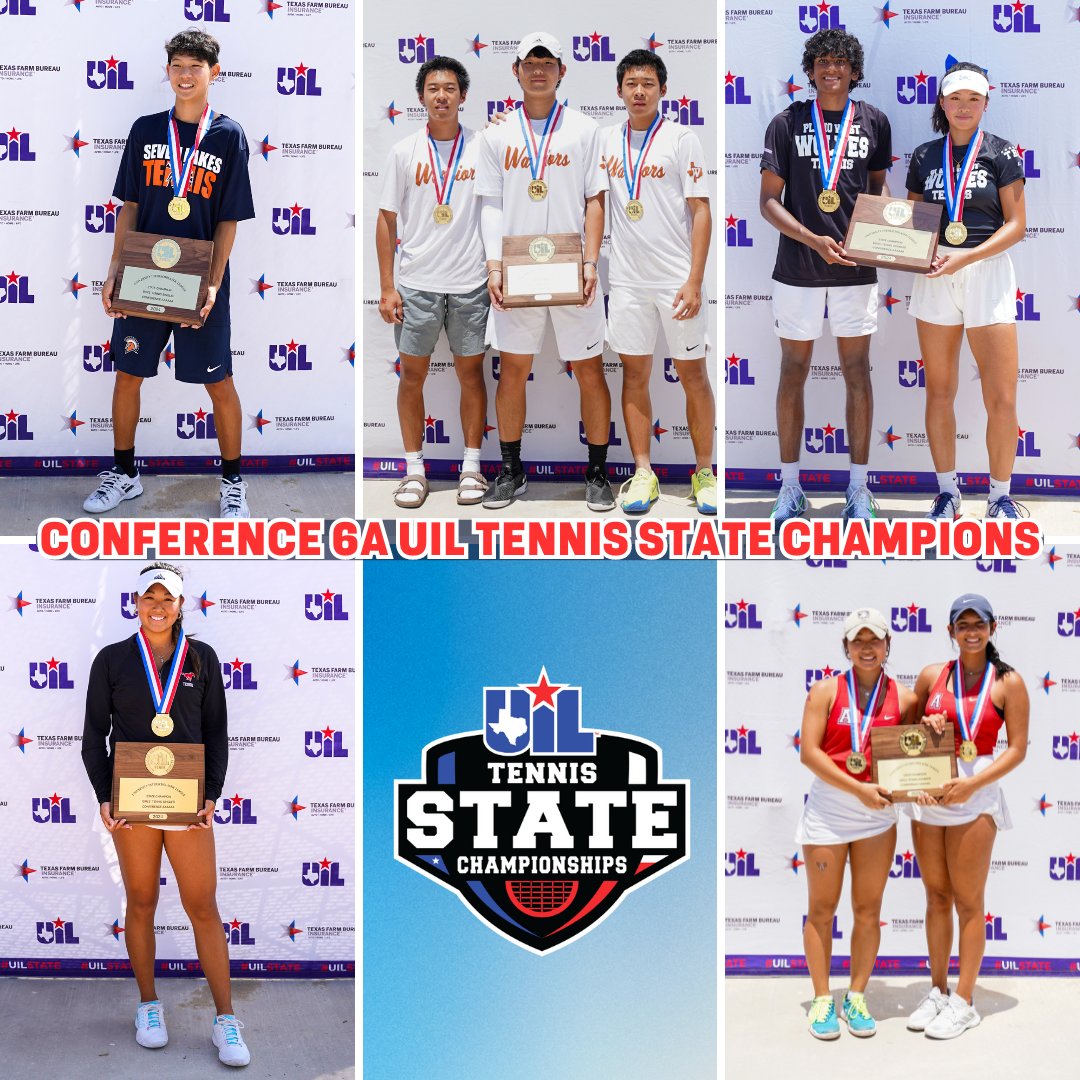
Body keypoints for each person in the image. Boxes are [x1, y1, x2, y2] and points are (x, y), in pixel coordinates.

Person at [81, 562, 250, 1067]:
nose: (157, 607)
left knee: (203, 905)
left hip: (187, 804)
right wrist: (104, 796)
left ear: (182, 605)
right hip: (132, 802)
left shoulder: (202, 657)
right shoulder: (112, 660)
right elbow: (95, 736)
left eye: (167, 599)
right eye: (148, 598)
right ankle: (148, 1006)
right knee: (141, 899)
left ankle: (225, 1018)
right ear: (134, 603)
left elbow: (216, 731)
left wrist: (212, 794)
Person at [85, 29, 256, 519]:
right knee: (127, 375)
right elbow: (130, 207)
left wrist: (214, 283)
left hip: (199, 279)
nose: (185, 76)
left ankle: (232, 482)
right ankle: (124, 473)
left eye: (195, 68)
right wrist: (114, 270)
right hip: (143, 271)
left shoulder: (228, 134)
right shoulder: (145, 130)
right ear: (168, 71)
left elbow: (228, 220)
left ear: (213, 73)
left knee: (218, 381)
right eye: (177, 66)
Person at [759, 28, 892, 523]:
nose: (831, 68)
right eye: (822, 61)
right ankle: (790, 487)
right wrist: (813, 240)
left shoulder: (875, 121)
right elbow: (768, 202)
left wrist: (888, 240)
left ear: (855, 71)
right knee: (792, 371)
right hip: (797, 269)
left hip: (856, 273)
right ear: (810, 69)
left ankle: (858, 489)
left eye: (841, 61)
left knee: (857, 372)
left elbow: (878, 196)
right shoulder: (786, 122)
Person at [477, 31, 613, 511]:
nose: (538, 70)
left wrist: (591, 261)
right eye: (529, 62)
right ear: (515, 71)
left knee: (590, 370)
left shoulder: (585, 129)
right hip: (517, 271)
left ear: (562, 71)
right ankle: (511, 472)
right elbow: (490, 205)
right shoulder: (496, 135)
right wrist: (494, 264)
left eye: (547, 62)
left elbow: (596, 200)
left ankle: (597, 473)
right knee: (512, 370)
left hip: (572, 269)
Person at [906, 63, 1027, 520]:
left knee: (1002, 397)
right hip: (937, 273)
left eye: (972, 99)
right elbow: (912, 224)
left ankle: (999, 496)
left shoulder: (1002, 153)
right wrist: (925, 251)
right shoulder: (922, 156)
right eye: (955, 98)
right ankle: (947, 492)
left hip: (987, 271)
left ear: (985, 104)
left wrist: (967, 257)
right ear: (942, 102)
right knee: (939, 390)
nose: (963, 107)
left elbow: (1016, 226)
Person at [906, 593, 1028, 1039]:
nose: (971, 632)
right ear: (951, 631)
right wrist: (925, 728)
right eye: (963, 625)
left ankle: (965, 1000)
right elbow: (905, 735)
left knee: (968, 902)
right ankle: (938, 991)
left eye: (979, 625)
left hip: (975, 800)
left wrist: (972, 784)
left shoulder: (1008, 681)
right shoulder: (931, 676)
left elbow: (1016, 749)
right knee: (936, 898)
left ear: (993, 629)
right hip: (930, 799)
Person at [603, 49, 716, 515]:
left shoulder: (682, 139)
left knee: (693, 375)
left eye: (648, 83)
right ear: (619, 91)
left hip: (676, 282)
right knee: (635, 375)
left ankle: (705, 473)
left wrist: (694, 279)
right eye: (631, 83)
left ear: (663, 90)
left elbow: (701, 211)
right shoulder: (604, 141)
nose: (639, 91)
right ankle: (644, 473)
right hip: (627, 282)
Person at [797, 607, 917, 1039]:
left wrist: (933, 724)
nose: (867, 648)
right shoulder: (825, 691)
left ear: (887, 646)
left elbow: (913, 753)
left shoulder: (903, 698)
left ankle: (858, 995)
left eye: (875, 640)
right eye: (858, 640)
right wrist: (857, 787)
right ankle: (822, 1000)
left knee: (868, 911)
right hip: (830, 810)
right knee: (822, 910)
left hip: (877, 814)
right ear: (846, 647)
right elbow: (809, 753)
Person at [377, 55, 489, 509]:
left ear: (463, 96)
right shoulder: (404, 151)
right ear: (421, 97)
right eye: (432, 89)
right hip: (417, 284)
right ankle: (414, 470)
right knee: (412, 377)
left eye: (449, 89)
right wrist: (387, 287)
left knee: (471, 375)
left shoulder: (486, 147)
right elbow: (385, 221)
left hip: (471, 283)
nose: (441, 96)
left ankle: (472, 468)